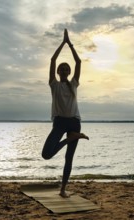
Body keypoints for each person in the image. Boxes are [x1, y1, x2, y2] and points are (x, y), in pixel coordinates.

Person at [42, 29, 89, 198]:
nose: (62, 71)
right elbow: (53, 59)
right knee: (46, 154)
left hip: (74, 122)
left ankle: (63, 190)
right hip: (60, 122)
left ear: (68, 72)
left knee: (69, 158)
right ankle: (71, 138)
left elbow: (78, 62)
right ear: (57, 72)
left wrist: (70, 44)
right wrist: (62, 42)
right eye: (60, 69)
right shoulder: (53, 84)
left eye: (65, 69)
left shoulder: (74, 84)